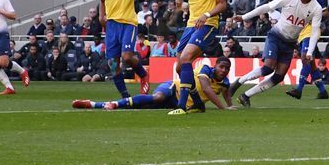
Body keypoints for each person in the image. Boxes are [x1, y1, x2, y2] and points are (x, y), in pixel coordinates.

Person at [229, 0, 325, 107]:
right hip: (275, 36)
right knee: (268, 67)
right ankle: (239, 82)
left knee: (279, 76)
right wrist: (244, 17)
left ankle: (246, 96)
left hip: (290, 43)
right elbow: (267, 7)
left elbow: (315, 31)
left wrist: (309, 52)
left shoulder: (316, 8)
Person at [169, 0, 227, 115]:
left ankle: (181, 106)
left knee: (186, 57)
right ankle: (198, 103)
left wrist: (207, 14)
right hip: (191, 26)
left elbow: (223, 4)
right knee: (180, 67)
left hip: (208, 24)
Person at [98, 0, 152, 99]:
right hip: (111, 26)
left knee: (127, 56)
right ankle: (125, 96)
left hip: (128, 23)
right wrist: (102, 15)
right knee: (113, 64)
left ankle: (143, 74)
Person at [75, 62, 235, 111]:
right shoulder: (205, 69)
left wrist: (231, 105)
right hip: (173, 88)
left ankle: (94, 104)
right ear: (216, 66)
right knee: (157, 97)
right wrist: (223, 108)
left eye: (227, 69)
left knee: (141, 106)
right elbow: (206, 88)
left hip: (178, 105)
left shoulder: (224, 83)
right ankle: (115, 103)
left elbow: (226, 92)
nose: (224, 70)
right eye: (222, 67)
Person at [287, 24, 329, 100]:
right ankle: (323, 92)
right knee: (312, 65)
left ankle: (299, 90)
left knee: (306, 60)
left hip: (309, 34)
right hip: (303, 35)